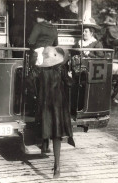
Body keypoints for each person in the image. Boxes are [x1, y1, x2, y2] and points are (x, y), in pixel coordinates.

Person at [35, 46, 75, 178]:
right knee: (57, 135)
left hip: (46, 104)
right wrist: (70, 76)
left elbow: (31, 83)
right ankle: (57, 166)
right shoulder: (61, 69)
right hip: (58, 105)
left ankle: (44, 145)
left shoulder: (41, 72)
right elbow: (69, 83)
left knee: (46, 127)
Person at [27, 8, 59, 155]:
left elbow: (30, 41)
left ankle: (31, 100)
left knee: (30, 82)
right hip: (50, 59)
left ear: (42, 17)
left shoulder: (38, 26)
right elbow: (56, 43)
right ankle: (46, 141)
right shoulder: (54, 29)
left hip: (39, 58)